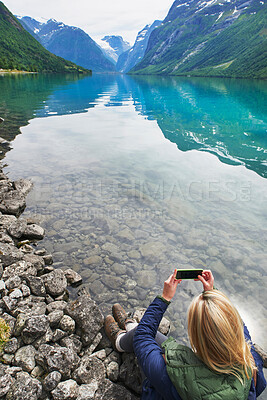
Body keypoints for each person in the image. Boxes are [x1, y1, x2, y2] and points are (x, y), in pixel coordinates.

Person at [104, 270, 266, 400]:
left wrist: (165, 298)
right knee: (143, 333)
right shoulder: (250, 362)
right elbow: (238, 326)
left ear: (198, 337)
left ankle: (120, 340)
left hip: (165, 391)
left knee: (141, 334)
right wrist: (212, 294)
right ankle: (129, 326)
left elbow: (143, 338)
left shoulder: (175, 377)